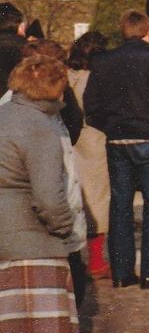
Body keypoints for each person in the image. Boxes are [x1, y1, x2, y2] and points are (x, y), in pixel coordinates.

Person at [82, 10, 149, 289]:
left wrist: (112, 127)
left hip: (117, 140)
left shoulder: (103, 61)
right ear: (147, 32)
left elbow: (91, 106)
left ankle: (121, 273)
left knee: (120, 206)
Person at [0, 54, 84, 330]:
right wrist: (65, 229)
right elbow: (48, 199)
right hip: (33, 247)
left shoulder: (4, 114)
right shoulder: (40, 127)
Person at [67, 32, 111, 280]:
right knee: (97, 202)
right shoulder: (94, 78)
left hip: (73, 142)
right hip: (94, 140)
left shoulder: (66, 74)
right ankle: (96, 262)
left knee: (77, 200)